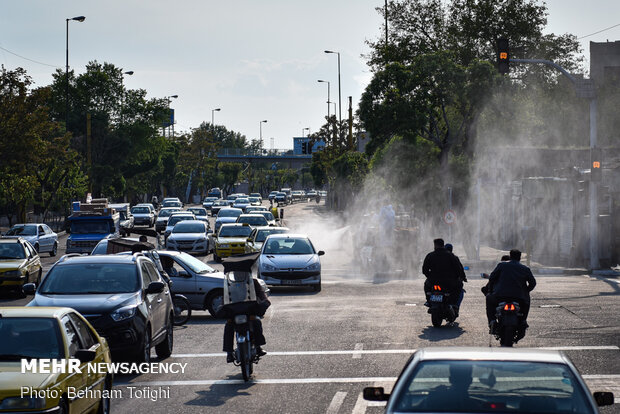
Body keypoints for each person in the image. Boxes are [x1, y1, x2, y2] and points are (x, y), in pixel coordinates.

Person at [221, 270, 271, 363]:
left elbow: (261, 294)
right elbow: (225, 296)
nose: (239, 275)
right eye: (237, 273)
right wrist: (222, 305)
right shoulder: (229, 283)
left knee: (257, 321)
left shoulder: (254, 282)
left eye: (241, 272)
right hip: (234, 311)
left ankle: (258, 346)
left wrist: (265, 301)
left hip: (250, 310)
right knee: (228, 326)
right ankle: (229, 352)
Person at [485, 249, 536, 334]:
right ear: (519, 258)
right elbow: (533, 283)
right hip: (519, 297)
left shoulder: (502, 265)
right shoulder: (525, 268)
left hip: (500, 296)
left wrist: (490, 290)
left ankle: (492, 321)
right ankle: (523, 320)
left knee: (489, 298)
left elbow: (492, 278)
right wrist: (525, 291)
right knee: (527, 301)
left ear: (510, 256)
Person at [422, 238, 464, 306]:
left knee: (426, 285)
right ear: (442, 245)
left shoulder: (430, 255)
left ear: (435, 245)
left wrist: (430, 277)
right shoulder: (451, 256)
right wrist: (457, 277)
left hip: (433, 281)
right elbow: (458, 269)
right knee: (459, 286)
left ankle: (428, 300)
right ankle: (454, 304)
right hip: (448, 281)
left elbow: (424, 270)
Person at [445, 243, 467, 310]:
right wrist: (463, 277)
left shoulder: (438, 257)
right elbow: (460, 269)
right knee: (460, 290)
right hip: (451, 281)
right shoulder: (454, 258)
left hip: (437, 280)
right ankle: (455, 305)